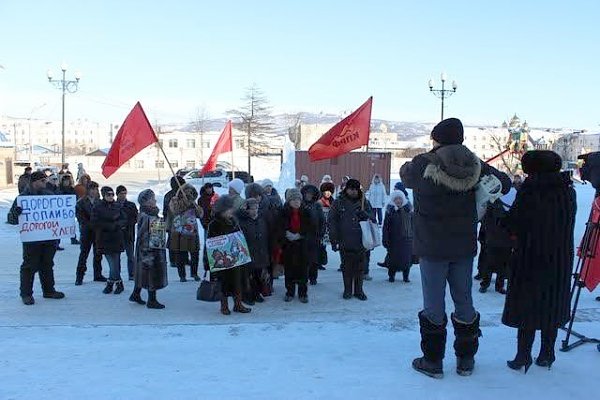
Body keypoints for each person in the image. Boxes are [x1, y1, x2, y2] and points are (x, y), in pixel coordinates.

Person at [400, 117, 511, 378]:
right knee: (464, 301)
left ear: (437, 139)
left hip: (432, 246)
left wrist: (426, 156)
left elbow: (405, 176)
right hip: (463, 245)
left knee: (433, 304)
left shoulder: (424, 163)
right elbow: (504, 183)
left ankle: (433, 362)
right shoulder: (474, 163)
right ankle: (466, 361)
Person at [503, 151, 576, 372]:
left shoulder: (530, 191)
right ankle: (547, 354)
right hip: (559, 258)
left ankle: (523, 355)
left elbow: (514, 224)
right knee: (551, 305)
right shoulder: (567, 191)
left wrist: (498, 213)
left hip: (530, 257)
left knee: (527, 306)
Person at [16, 171, 65, 305]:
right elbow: (11, 219)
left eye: (46, 181)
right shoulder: (23, 197)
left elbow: (59, 214)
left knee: (47, 264)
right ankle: (26, 294)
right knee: (29, 266)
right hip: (32, 239)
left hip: (48, 238)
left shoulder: (50, 195)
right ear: (34, 182)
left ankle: (49, 290)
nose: (45, 183)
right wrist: (17, 212)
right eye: (42, 181)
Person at [329, 178, 374, 301]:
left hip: (361, 240)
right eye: (351, 189)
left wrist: (365, 215)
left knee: (360, 268)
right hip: (345, 240)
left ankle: (359, 290)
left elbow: (373, 217)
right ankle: (347, 290)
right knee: (347, 267)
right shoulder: (338, 202)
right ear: (346, 189)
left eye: (355, 189)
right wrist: (334, 239)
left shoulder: (364, 201)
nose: (353, 191)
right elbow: (332, 221)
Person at [205, 195, 251, 315]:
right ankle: (224, 306)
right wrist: (208, 261)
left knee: (237, 282)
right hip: (221, 259)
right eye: (229, 209)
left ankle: (238, 304)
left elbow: (239, 236)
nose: (231, 211)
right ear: (222, 210)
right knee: (223, 283)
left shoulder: (234, 221)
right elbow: (210, 244)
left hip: (235, 258)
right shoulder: (214, 224)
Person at [129, 189, 168, 309]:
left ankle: (136, 294)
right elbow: (145, 232)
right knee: (151, 272)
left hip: (149, 247)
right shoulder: (146, 215)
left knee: (143, 272)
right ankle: (152, 300)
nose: (155, 200)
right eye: (152, 198)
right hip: (149, 249)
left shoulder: (149, 213)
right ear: (146, 202)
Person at [278, 188, 311, 303]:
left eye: (298, 199)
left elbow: (311, 227)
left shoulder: (306, 212)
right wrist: (286, 233)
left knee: (303, 271)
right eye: (293, 199)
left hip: (302, 245)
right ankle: (290, 292)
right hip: (288, 246)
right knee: (289, 270)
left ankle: (303, 293)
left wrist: (300, 235)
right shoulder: (283, 212)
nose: (296, 202)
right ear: (288, 201)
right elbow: (279, 227)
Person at [92, 186, 126, 295]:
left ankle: (111, 283)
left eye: (112, 194)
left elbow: (124, 219)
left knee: (115, 262)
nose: (111, 196)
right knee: (112, 263)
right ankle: (118, 282)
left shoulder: (117, 206)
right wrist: (109, 225)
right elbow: (94, 222)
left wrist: (118, 225)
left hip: (117, 237)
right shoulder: (98, 207)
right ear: (104, 195)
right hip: (104, 238)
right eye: (108, 194)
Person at [167, 184, 202, 282]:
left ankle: (194, 273)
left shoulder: (193, 202)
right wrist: (185, 202)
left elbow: (200, 214)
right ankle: (182, 275)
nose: (188, 194)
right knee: (180, 254)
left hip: (192, 231)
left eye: (190, 192)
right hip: (179, 231)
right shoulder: (175, 200)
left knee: (195, 254)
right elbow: (175, 210)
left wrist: (195, 206)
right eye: (187, 192)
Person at [237, 198, 270, 304]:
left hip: (261, 251)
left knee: (258, 275)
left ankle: (257, 294)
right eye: (252, 208)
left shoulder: (261, 220)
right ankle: (247, 296)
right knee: (248, 276)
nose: (254, 211)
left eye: (256, 208)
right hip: (248, 252)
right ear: (247, 209)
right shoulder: (242, 222)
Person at [478, 200, 512, 294]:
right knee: (489, 262)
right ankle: (485, 284)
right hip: (493, 238)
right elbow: (486, 219)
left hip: (506, 238)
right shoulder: (493, 202)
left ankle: (499, 286)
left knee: (503, 263)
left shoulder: (511, 200)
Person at [75, 181, 106, 285]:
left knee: (98, 254)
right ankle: (79, 277)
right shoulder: (81, 202)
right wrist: (91, 224)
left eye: (95, 189)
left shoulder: (100, 202)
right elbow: (80, 218)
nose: (94, 191)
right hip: (86, 232)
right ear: (87, 190)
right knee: (84, 254)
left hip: (98, 232)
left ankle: (98, 274)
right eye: (92, 189)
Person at [382, 190, 413, 283]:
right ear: (393, 200)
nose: (398, 201)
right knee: (393, 259)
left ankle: (406, 276)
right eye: (396, 199)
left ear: (403, 199)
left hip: (406, 240)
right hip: (394, 240)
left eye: (400, 198)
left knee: (406, 259)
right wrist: (385, 239)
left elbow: (414, 225)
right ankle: (391, 276)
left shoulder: (409, 210)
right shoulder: (390, 211)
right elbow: (386, 227)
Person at [301, 185, 325, 286]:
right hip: (303, 236)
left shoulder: (317, 205)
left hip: (315, 236)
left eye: (310, 194)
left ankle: (313, 277)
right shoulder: (301, 205)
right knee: (304, 259)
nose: (308, 196)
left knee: (314, 260)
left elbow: (322, 221)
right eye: (307, 194)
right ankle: (304, 277)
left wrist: (321, 233)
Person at [163, 176, 187, 267]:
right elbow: (166, 210)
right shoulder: (170, 195)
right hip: (172, 220)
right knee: (172, 241)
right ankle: (173, 260)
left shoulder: (184, 194)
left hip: (183, 221)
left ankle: (184, 259)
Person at [117, 185, 139, 281]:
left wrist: (127, 223)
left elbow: (135, 218)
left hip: (129, 233)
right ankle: (116, 274)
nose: (123, 195)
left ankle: (132, 274)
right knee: (116, 257)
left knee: (130, 256)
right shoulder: (114, 205)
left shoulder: (131, 205)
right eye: (121, 193)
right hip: (117, 233)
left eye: (125, 193)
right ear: (117, 194)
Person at [317, 181, 335, 271]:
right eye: (326, 191)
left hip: (328, 224)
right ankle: (319, 261)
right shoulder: (319, 200)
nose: (328, 193)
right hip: (321, 223)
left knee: (324, 244)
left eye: (329, 191)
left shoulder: (333, 201)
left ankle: (321, 260)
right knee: (319, 243)